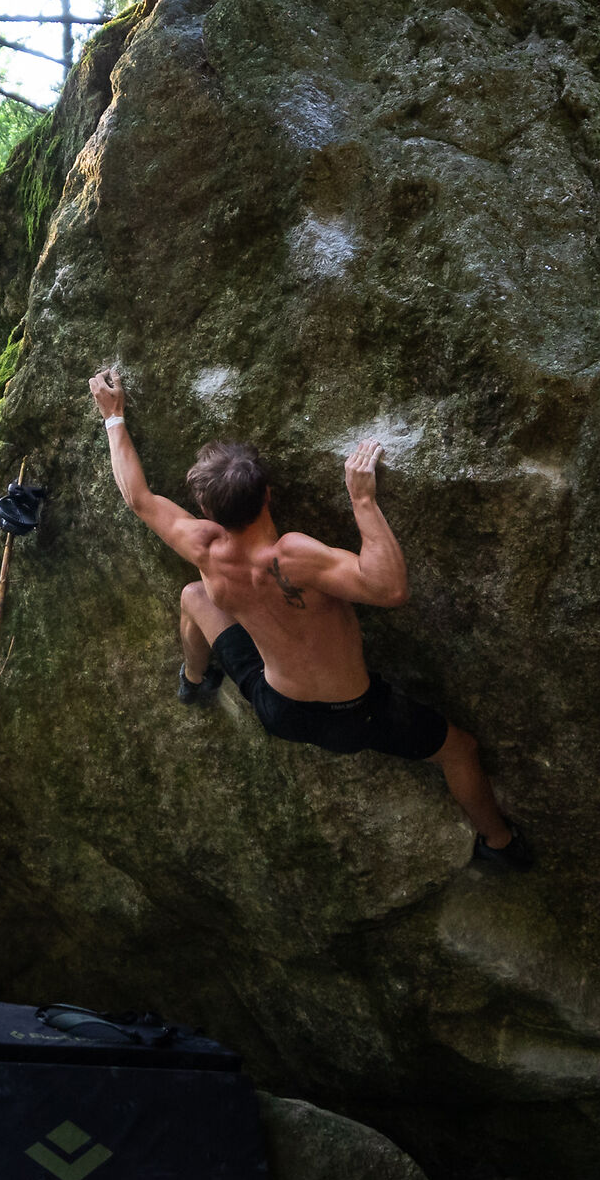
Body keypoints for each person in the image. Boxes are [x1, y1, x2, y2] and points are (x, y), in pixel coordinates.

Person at [91, 363, 533, 868]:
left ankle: (194, 681)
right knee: (460, 750)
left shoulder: (204, 548)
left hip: (279, 709)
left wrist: (113, 417)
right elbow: (389, 588)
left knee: (195, 595)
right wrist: (363, 500)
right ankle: (500, 845)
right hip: (360, 716)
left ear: (208, 512)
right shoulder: (294, 556)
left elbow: (138, 498)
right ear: (268, 495)